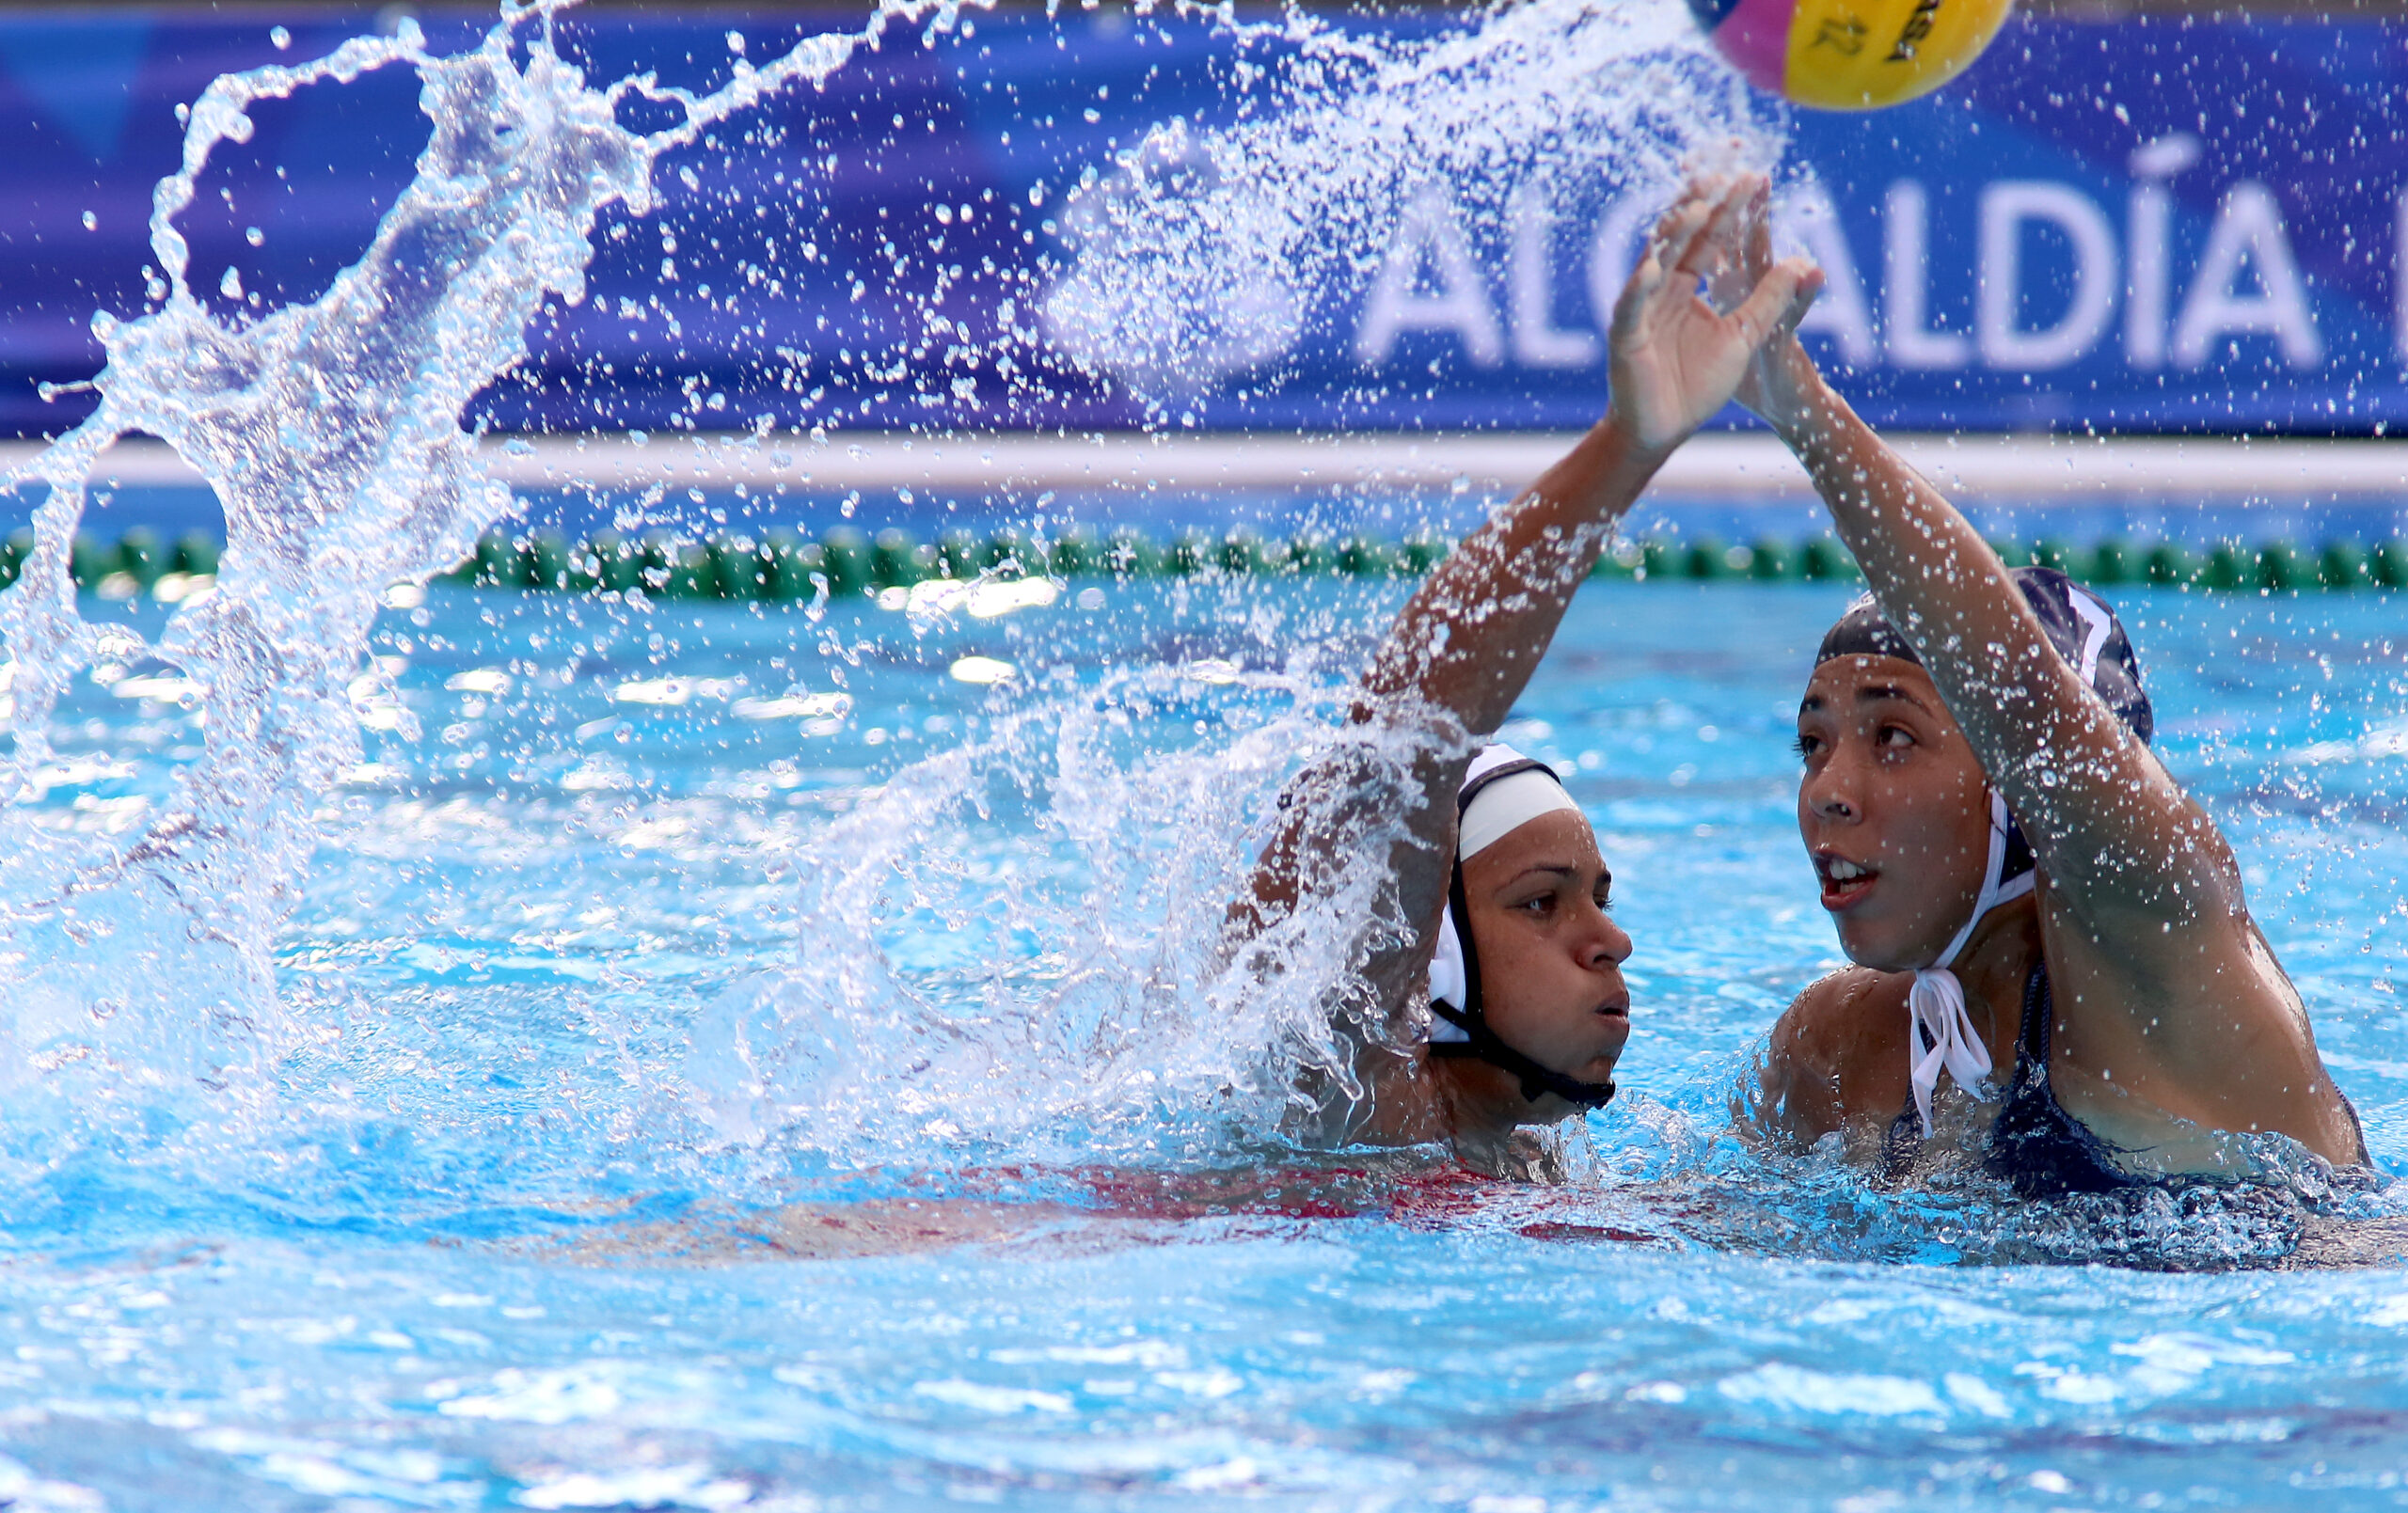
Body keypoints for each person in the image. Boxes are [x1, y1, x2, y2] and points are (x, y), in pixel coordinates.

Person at [1716, 194, 2368, 1191]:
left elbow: (2025, 698)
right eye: (1813, 744)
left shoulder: (2169, 952)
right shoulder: (1837, 1048)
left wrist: (1797, 404)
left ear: (2029, 791)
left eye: (1892, 735)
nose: (1828, 791)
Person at [1224, 173, 1821, 1176]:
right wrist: (1628, 448)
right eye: (1543, 902)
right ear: (1427, 953)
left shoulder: (1522, 1167)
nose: (1611, 941)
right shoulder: (1349, 1114)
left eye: (1594, 895)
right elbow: (1405, 739)